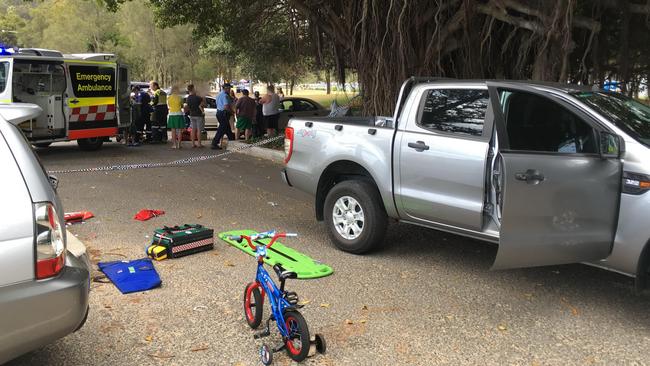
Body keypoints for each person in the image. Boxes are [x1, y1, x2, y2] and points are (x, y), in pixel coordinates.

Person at [211, 83, 236, 149]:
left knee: (227, 128)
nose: (230, 90)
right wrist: (232, 112)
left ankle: (232, 140)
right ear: (226, 88)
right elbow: (226, 106)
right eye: (229, 88)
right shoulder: (225, 96)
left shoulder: (219, 94)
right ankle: (214, 143)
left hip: (219, 113)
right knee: (221, 129)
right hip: (223, 113)